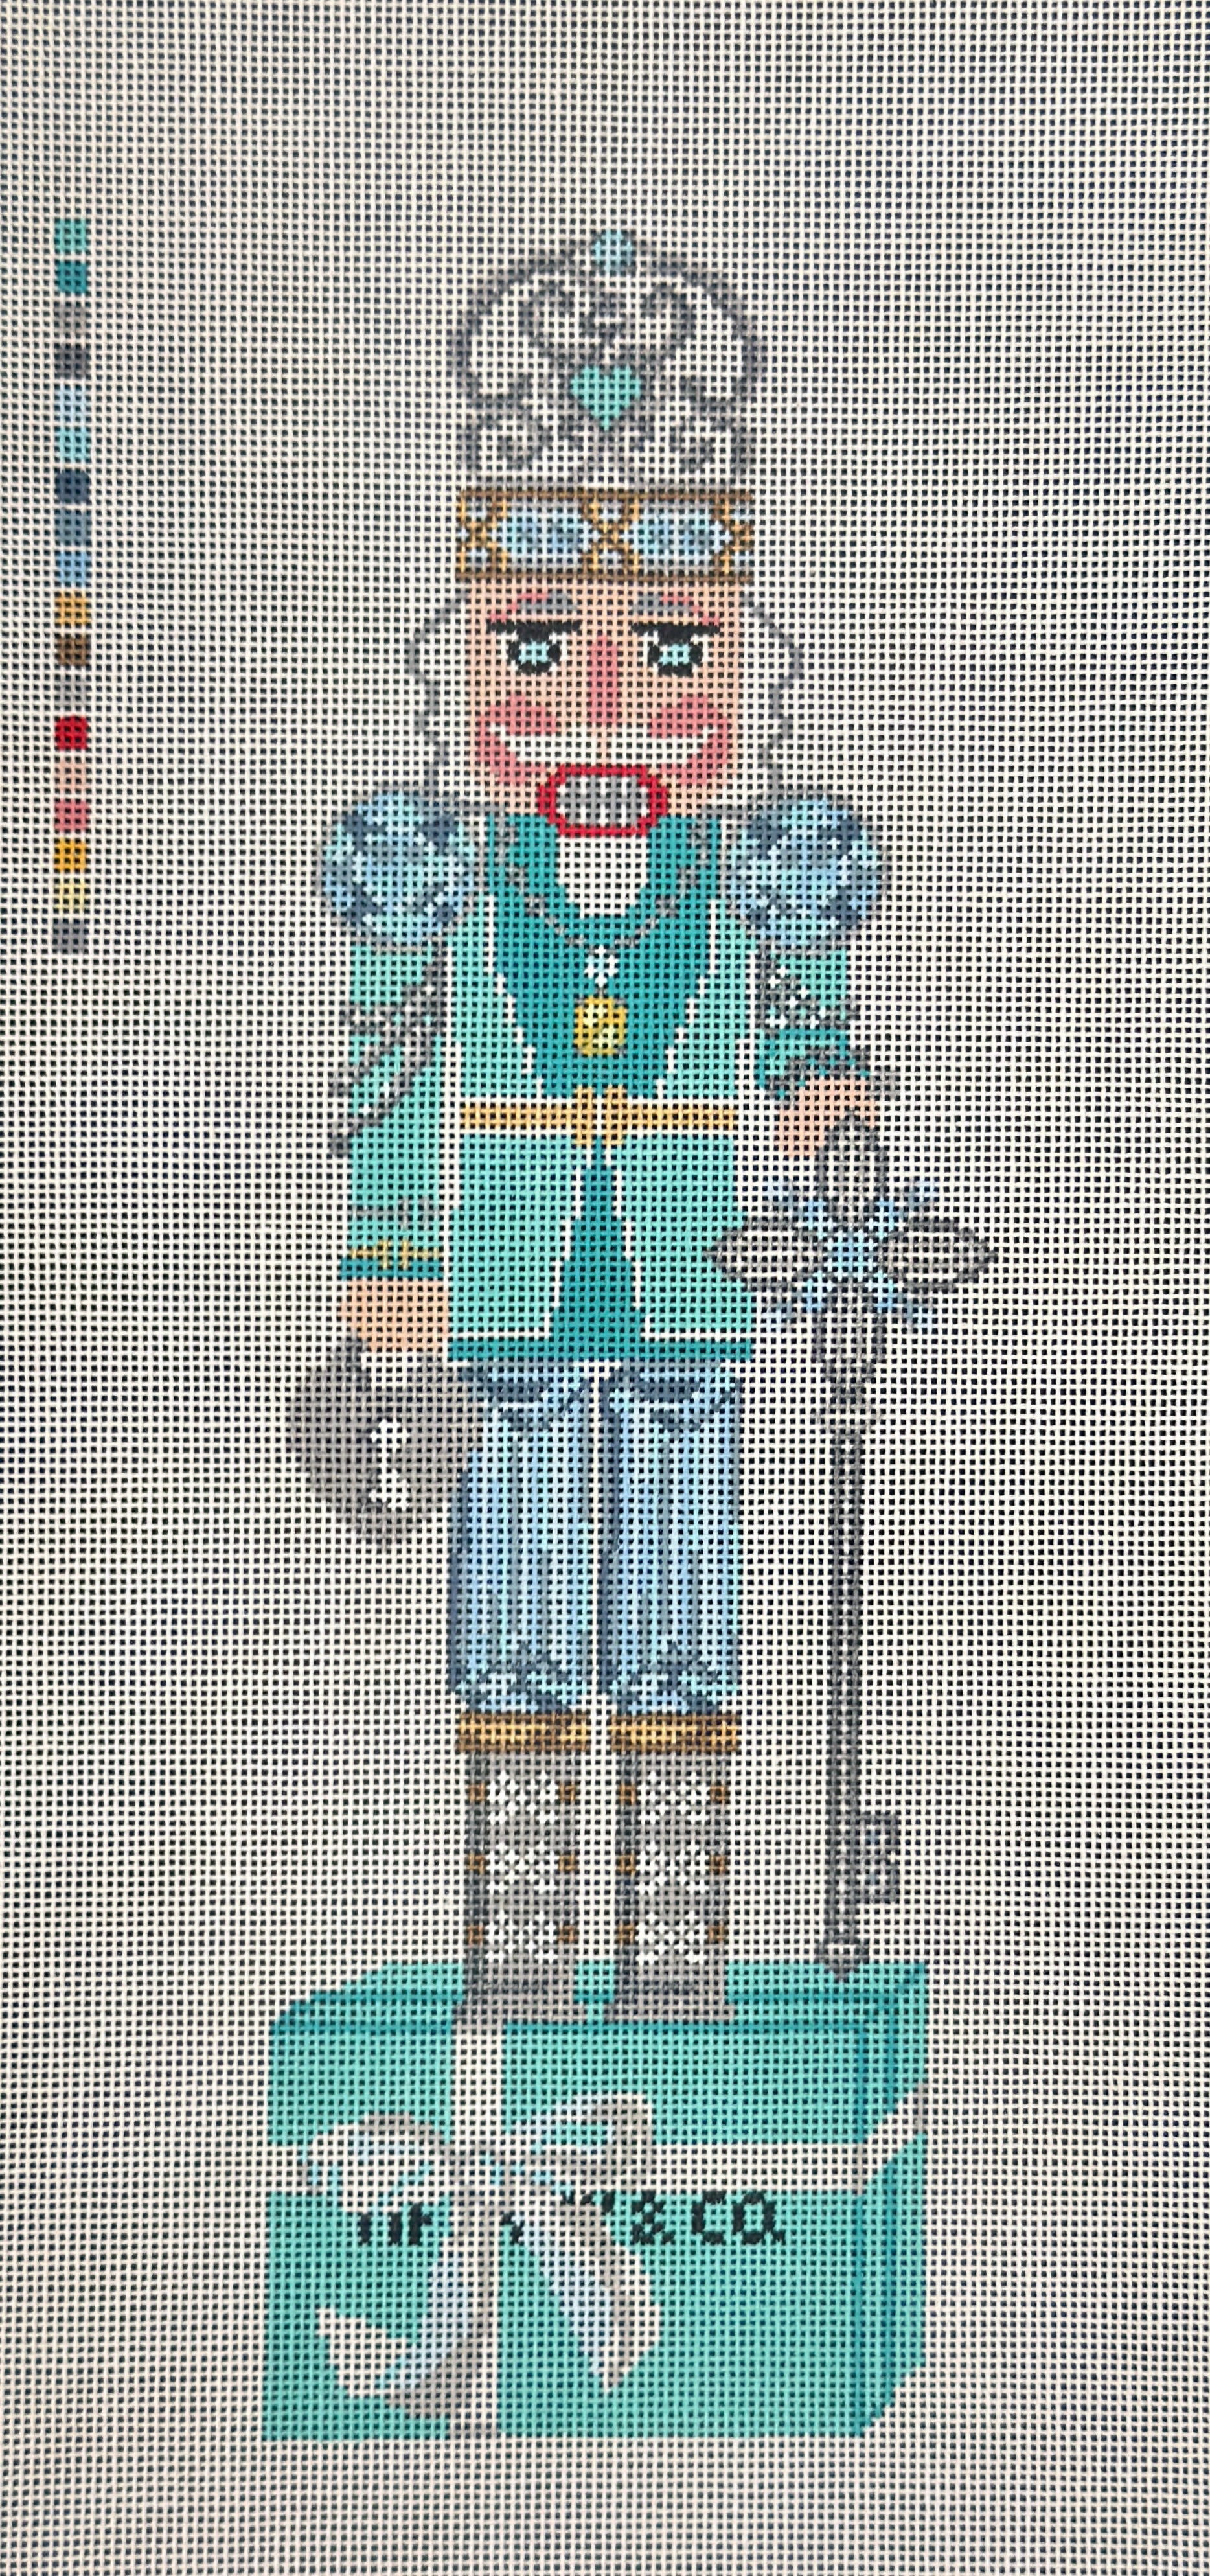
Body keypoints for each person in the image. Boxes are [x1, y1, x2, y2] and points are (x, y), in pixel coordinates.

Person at [314, 231, 882, 2023]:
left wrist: (839, 1156)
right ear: (467, 662)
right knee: (515, 1591)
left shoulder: (756, 881)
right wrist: (389, 1271)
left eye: (672, 651)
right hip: (501, 1296)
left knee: (686, 1594)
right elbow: (395, 1086)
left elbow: (813, 1063)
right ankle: (520, 1941)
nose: (608, 708)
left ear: (740, 668)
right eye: (541, 649)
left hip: (700, 1283)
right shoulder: (439, 883)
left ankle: (681, 1946)